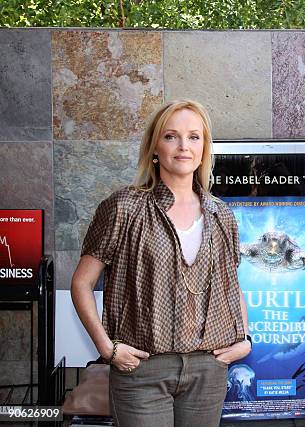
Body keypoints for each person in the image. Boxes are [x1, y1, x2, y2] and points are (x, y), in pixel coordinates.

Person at [71, 99, 252, 427]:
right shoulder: (125, 207)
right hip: (141, 369)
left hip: (208, 369)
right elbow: (81, 283)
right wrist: (107, 348)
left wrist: (245, 341)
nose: (184, 146)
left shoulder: (221, 214)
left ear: (204, 148)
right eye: (172, 136)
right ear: (155, 146)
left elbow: (231, 285)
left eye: (194, 137)